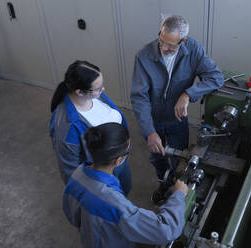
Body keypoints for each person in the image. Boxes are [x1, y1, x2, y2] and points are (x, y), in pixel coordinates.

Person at [130, 15, 224, 190]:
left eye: (170, 45)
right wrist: (149, 132)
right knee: (157, 156)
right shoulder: (144, 56)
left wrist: (188, 94)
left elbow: (216, 78)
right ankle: (163, 184)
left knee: (180, 156)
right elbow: (139, 98)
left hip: (177, 119)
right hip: (154, 119)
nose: (163, 48)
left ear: (183, 41)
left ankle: (177, 186)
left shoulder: (193, 49)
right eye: (161, 41)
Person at [63, 123, 188, 247]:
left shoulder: (77, 174)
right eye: (127, 151)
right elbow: (166, 231)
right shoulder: (113, 202)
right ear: (118, 161)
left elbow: (70, 212)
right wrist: (179, 194)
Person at [50, 60, 131, 195]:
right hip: (102, 177)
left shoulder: (95, 96)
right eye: (98, 89)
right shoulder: (67, 127)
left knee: (125, 191)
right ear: (80, 92)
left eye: (102, 86)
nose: (103, 90)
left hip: (120, 160)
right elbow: (70, 172)